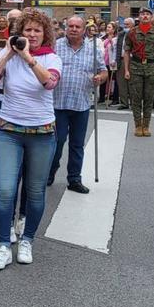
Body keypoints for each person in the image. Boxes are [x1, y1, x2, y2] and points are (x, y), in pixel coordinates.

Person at [0, 8, 62, 270]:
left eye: (37, 30)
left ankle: (27, 239)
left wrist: (27, 56)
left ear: (44, 33)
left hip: (42, 133)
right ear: (20, 32)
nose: (32, 34)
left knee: (35, 191)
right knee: (5, 189)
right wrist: (7, 51)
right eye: (27, 30)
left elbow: (49, 83)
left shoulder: (52, 58)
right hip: (10, 131)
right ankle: (4, 244)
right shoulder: (9, 56)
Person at [48, 16, 106, 194]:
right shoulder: (55, 46)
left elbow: (103, 71)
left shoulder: (93, 49)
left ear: (84, 30)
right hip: (58, 103)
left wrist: (99, 78)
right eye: (70, 26)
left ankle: (74, 179)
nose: (73, 29)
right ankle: (49, 171)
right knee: (57, 142)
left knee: (77, 144)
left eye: (77, 27)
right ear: (66, 28)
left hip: (81, 103)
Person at [123, 6, 154, 137]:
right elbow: (127, 52)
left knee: (149, 98)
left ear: (152, 17)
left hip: (152, 67)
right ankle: (138, 125)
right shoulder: (131, 33)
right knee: (136, 98)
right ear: (139, 17)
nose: (145, 16)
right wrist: (126, 69)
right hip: (135, 66)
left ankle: (146, 126)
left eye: (148, 14)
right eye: (143, 14)